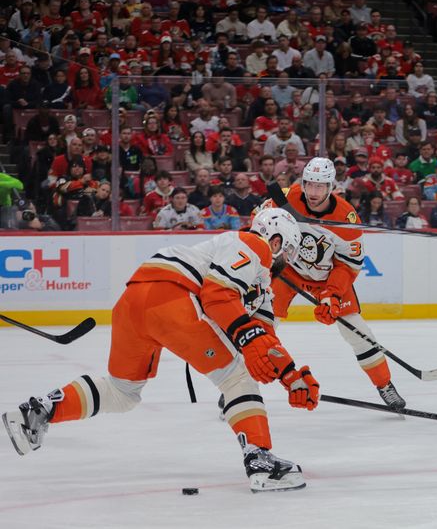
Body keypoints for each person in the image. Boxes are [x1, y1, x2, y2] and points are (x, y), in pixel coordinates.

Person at [2, 208, 319, 492]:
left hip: (134, 303)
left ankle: (39, 411)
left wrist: (291, 376)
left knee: (122, 391)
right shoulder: (255, 246)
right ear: (275, 240)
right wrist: (248, 341)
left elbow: (263, 336)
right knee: (236, 376)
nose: (286, 261)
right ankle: (260, 459)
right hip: (174, 299)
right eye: (287, 251)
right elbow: (218, 295)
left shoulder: (259, 284)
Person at [254, 157, 406, 409]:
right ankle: (241, 387)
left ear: (330, 187)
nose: (313, 193)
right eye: (309, 185)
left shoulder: (347, 217)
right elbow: (260, 222)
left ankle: (384, 385)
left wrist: (332, 295)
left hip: (326, 278)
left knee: (358, 333)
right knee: (262, 326)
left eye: (320, 187)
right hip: (288, 270)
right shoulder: (287, 197)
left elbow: (348, 264)